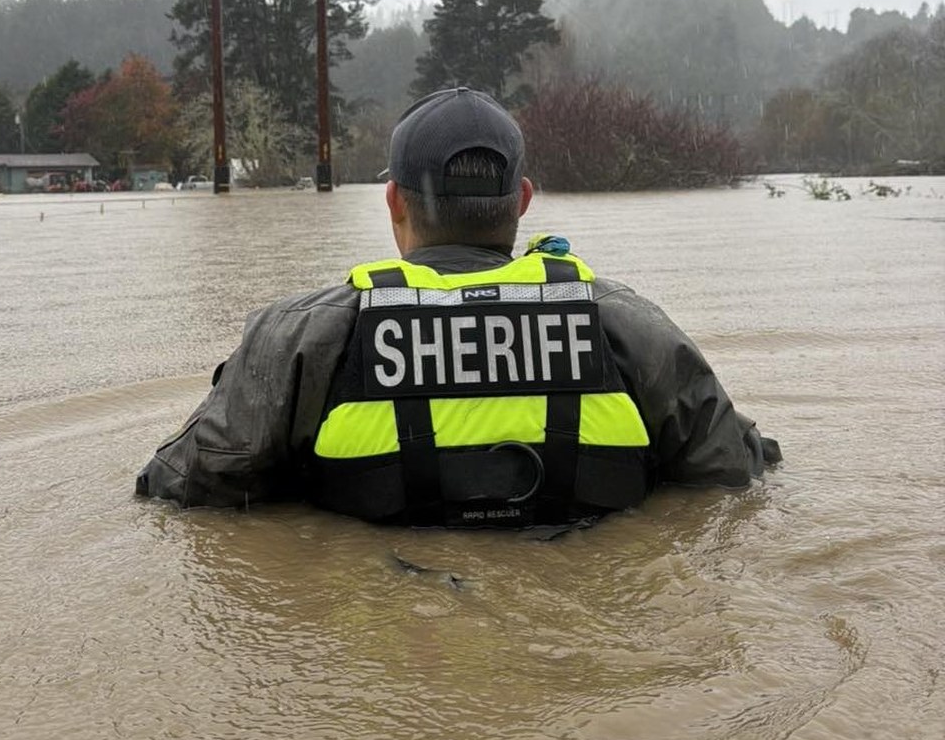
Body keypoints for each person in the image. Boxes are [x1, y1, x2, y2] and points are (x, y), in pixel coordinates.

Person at [136, 87, 780, 529]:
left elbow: (178, 487)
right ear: (522, 199)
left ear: (393, 200)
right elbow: (735, 471)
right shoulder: (630, 325)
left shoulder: (300, 336)